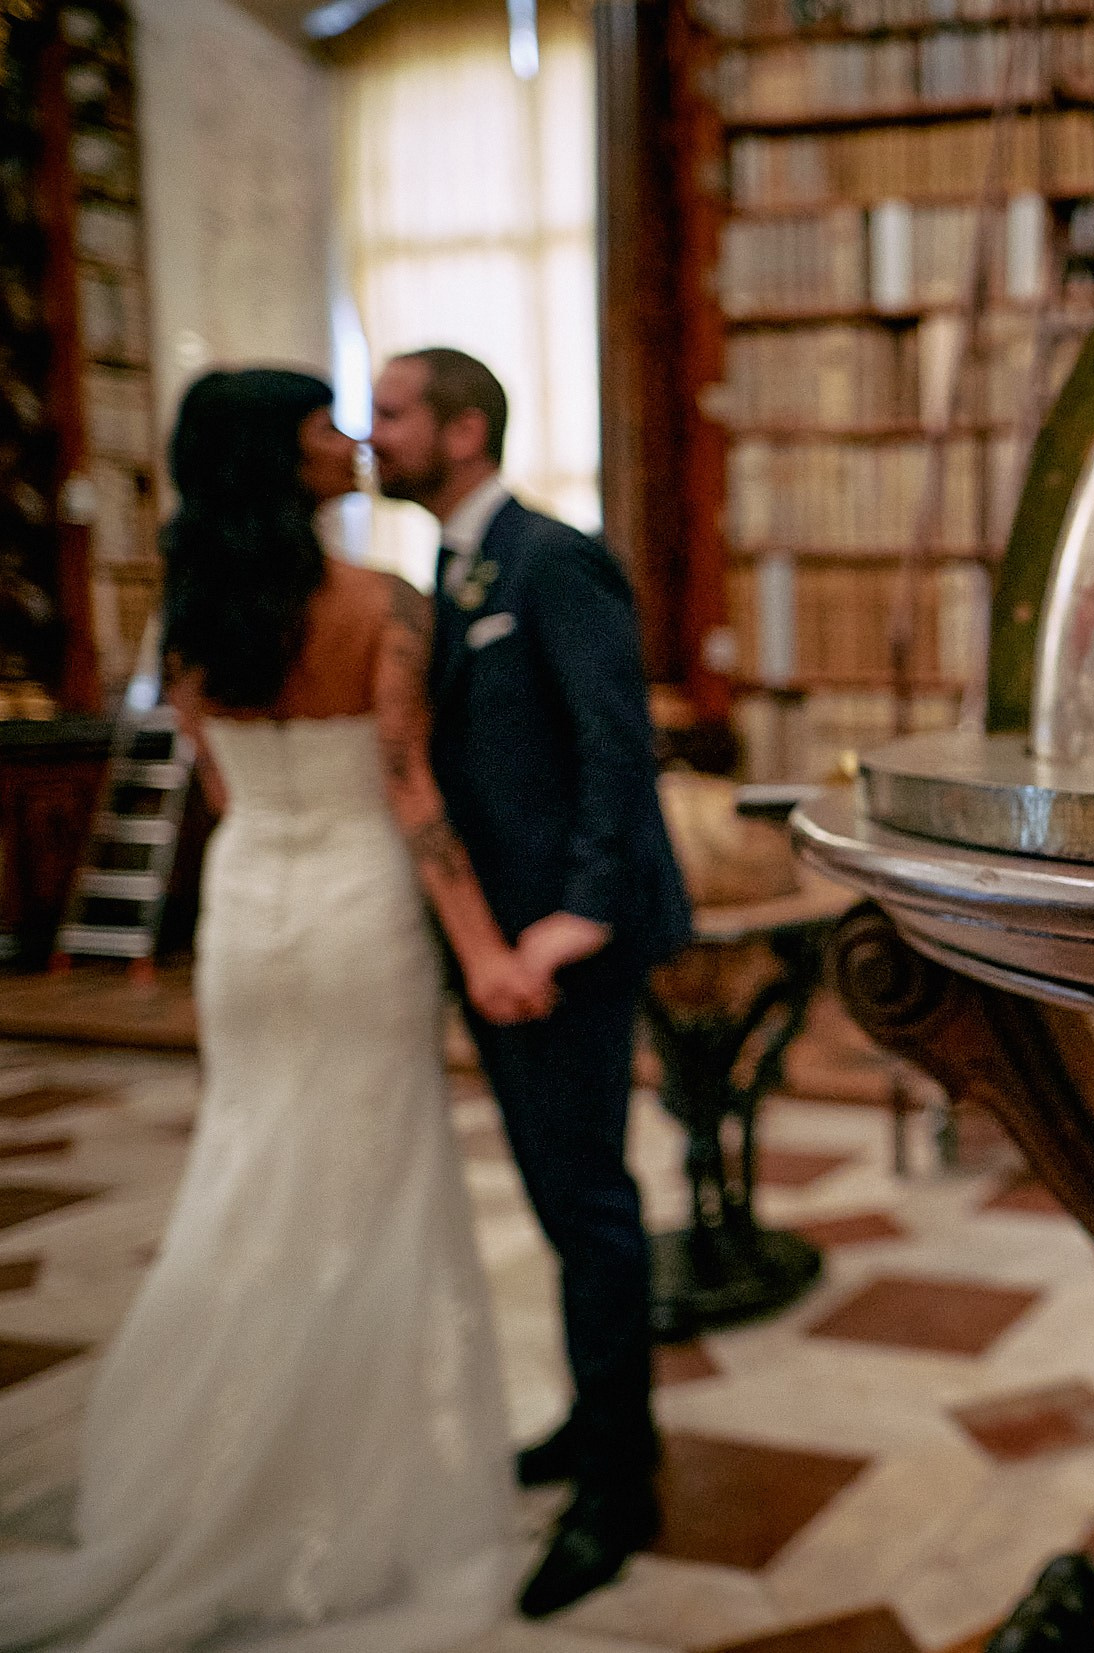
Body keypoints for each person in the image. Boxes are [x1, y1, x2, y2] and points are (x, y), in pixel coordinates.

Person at [0, 369, 542, 1649]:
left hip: (251, 911)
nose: (350, 442)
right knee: (366, 1191)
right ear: (278, 459)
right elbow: (410, 793)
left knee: (248, 1177)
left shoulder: (188, 614)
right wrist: (484, 954)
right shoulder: (381, 607)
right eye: (323, 428)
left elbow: (224, 791)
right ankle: (339, 1490)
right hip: (356, 911)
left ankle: (209, 1470)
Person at [368, 347, 692, 1618]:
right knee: (566, 1209)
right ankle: (600, 1425)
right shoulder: (448, 576)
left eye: (390, 414)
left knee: (593, 1210)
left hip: (565, 947)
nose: (369, 433)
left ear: (458, 431)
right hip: (498, 945)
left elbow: (620, 749)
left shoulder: (554, 559)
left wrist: (579, 917)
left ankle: (619, 1487)